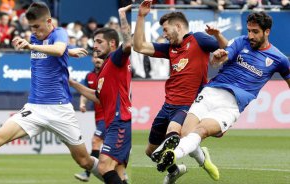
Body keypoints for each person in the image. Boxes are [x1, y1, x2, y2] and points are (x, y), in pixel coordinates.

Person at [156, 11, 290, 183]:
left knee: (201, 131)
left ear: (267, 32)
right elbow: (225, 54)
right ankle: (202, 158)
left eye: (255, 32)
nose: (250, 35)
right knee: (185, 134)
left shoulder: (279, 59)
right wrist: (220, 57)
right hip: (211, 92)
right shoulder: (241, 42)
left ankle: (173, 155)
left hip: (232, 105)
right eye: (249, 30)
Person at [0, 2, 102, 181]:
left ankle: (115, 179)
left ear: (49, 21)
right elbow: (56, 49)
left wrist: (57, 49)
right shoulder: (36, 37)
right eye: (31, 27)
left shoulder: (60, 33)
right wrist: (69, 51)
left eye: (36, 26)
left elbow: (57, 49)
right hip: (35, 108)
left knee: (84, 161)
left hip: (60, 110)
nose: (33, 31)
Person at [133, 0, 228, 183]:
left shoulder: (199, 39)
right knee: (151, 152)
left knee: (173, 136)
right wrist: (141, 16)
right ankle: (176, 170)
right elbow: (139, 47)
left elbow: (227, 48)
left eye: (166, 30)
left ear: (178, 26)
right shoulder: (170, 49)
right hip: (168, 105)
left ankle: (201, 158)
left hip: (189, 104)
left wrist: (218, 37)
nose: (164, 34)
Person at [69, 4, 132, 184]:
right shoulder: (105, 68)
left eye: (99, 42)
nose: (94, 46)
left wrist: (121, 15)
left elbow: (127, 44)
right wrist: (72, 83)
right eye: (94, 42)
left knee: (104, 167)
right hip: (116, 122)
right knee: (118, 173)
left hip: (121, 121)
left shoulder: (115, 58)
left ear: (112, 43)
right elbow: (97, 97)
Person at [74, 51, 106, 182]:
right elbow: (85, 92)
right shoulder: (90, 76)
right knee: (106, 145)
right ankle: (120, 172)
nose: (97, 59)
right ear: (92, 59)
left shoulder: (110, 73)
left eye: (100, 57)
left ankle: (87, 173)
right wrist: (82, 103)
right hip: (98, 117)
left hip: (110, 115)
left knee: (96, 141)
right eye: (95, 57)